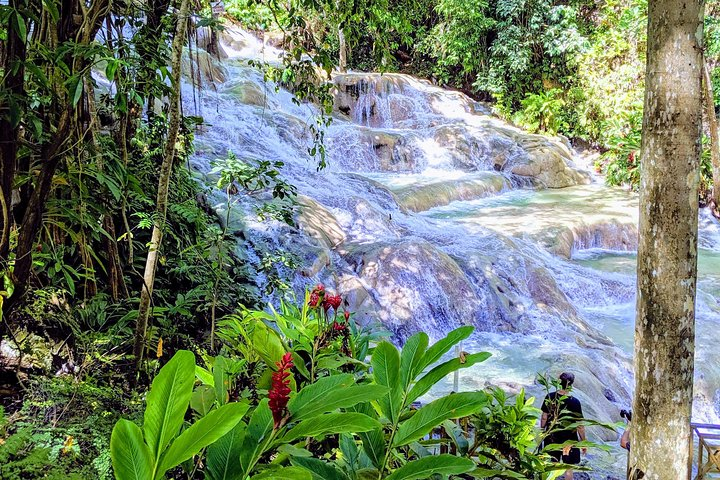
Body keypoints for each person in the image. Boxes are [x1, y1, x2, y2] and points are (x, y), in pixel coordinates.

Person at [540, 372, 587, 480]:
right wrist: (583, 442)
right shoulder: (575, 402)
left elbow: (544, 417)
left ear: (559, 382)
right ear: (571, 385)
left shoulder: (550, 396)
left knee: (554, 463)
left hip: (552, 436)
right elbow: (580, 425)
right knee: (568, 467)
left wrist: (542, 431)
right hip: (569, 439)